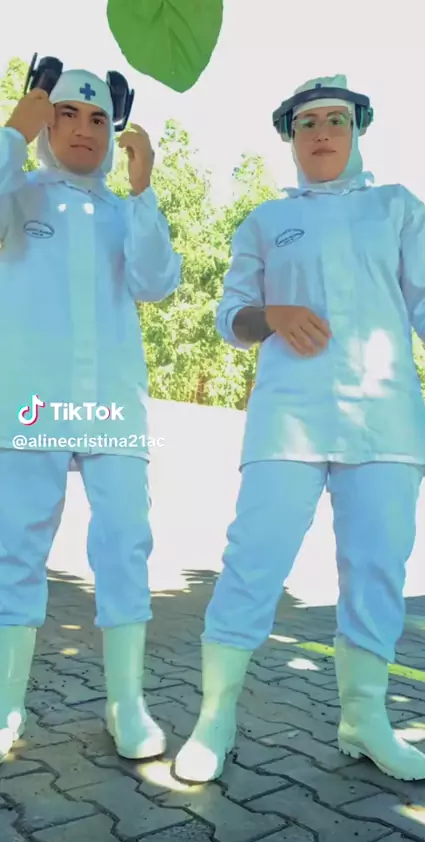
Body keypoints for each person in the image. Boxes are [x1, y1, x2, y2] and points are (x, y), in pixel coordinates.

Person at [174, 75, 425, 784]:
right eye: (306, 123)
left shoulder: (397, 207)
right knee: (254, 559)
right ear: (290, 137)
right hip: (288, 417)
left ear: (357, 130)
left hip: (386, 421)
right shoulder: (265, 221)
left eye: (335, 120)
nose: (321, 133)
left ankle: (364, 720)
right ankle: (215, 717)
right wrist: (273, 315)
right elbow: (232, 316)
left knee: (377, 570)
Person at [0, 65, 181, 764]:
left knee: (126, 541)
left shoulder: (123, 211)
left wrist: (143, 189)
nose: (83, 130)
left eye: (98, 118)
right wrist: (13, 132)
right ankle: (7, 704)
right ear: (46, 124)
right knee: (15, 547)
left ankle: (125, 703)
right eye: (67, 114)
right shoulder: (19, 192)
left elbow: (156, 282)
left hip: (111, 401)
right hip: (29, 399)